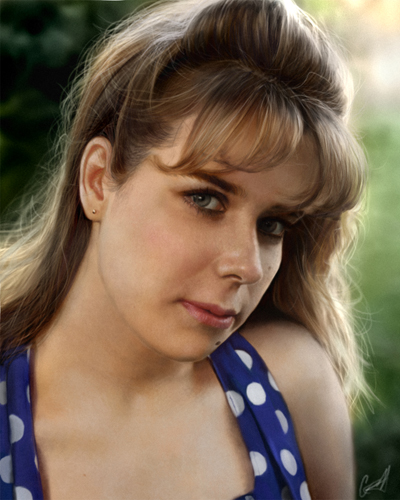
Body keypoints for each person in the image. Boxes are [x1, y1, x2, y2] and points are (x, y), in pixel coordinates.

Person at [0, 0, 368, 498]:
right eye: (205, 199)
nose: (248, 265)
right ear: (98, 180)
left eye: (273, 224)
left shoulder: (289, 386)